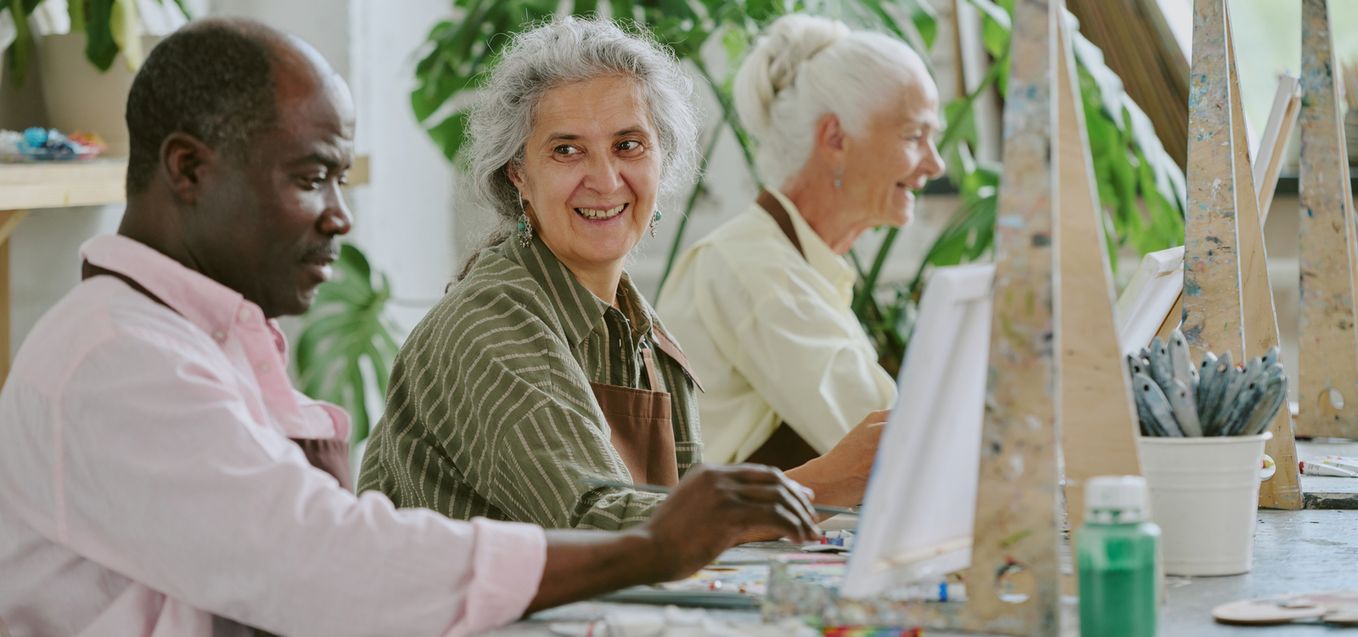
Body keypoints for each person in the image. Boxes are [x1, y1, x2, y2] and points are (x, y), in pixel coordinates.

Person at [0, 19, 821, 636]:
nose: (340, 217)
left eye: (630, 146)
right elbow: (324, 558)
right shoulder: (118, 360)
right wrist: (653, 546)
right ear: (188, 169)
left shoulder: (193, 340)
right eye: (313, 177)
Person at [358, 17, 881, 530]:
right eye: (567, 150)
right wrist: (822, 484)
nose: (606, 181)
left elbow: (681, 543)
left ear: (662, 160)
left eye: (628, 145)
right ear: (518, 173)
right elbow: (595, 522)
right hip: (459, 618)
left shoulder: (647, 335)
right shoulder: (488, 325)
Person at [656, 14, 946, 470]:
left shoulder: (793, 262)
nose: (935, 164)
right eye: (914, 136)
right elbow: (902, 448)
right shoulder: (753, 268)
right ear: (835, 138)